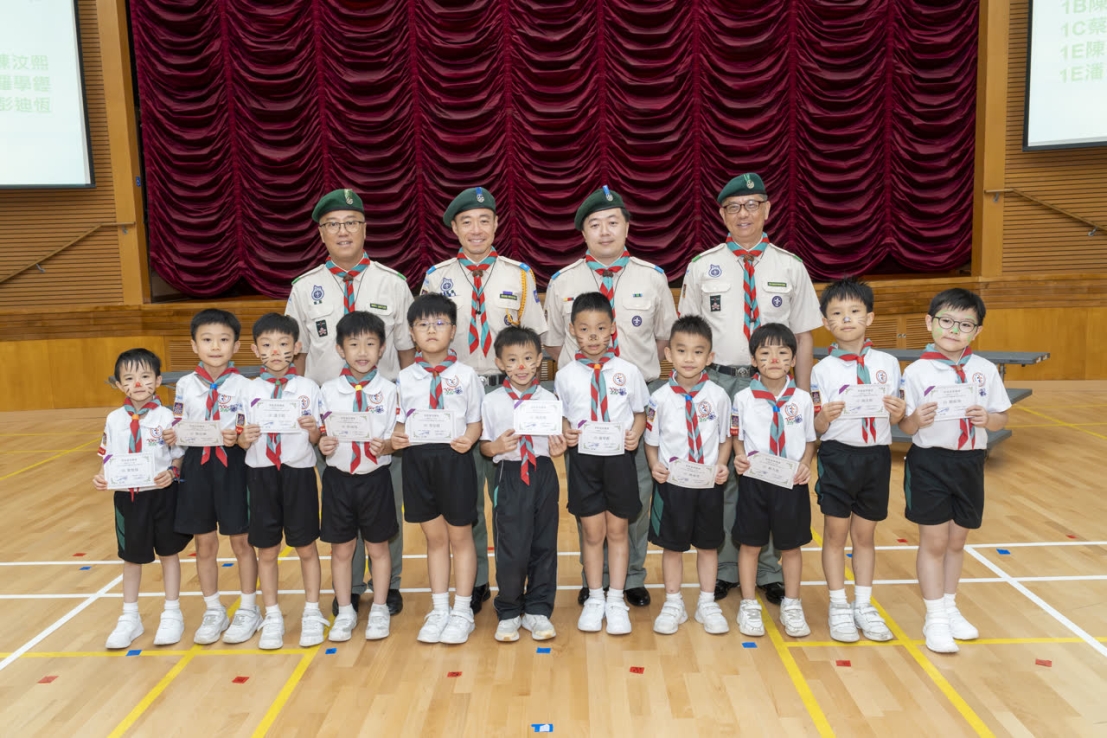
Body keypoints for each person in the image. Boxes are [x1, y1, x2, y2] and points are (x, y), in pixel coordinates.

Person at [678, 173, 821, 606]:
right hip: (719, 382)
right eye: (734, 207)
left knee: (775, 474)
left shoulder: (790, 266)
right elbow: (689, 333)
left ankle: (770, 569)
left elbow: (805, 336)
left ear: (768, 210)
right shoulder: (702, 266)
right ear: (722, 214)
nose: (744, 214)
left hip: (774, 385)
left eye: (752, 204)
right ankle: (725, 567)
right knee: (722, 475)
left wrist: (801, 394)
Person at [544, 185, 677, 609]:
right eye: (595, 224)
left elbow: (663, 340)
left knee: (635, 492)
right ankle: (594, 579)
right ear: (583, 232)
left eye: (613, 222)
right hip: (583, 406)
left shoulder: (652, 277)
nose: (605, 231)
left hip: (633, 403)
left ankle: (631, 575)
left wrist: (626, 380)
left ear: (627, 226)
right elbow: (554, 345)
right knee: (588, 497)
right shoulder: (562, 281)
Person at [286, 188, 413, 617]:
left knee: (385, 503)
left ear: (365, 228)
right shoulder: (304, 288)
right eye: (333, 225)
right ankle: (352, 587)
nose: (343, 231)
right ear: (321, 233)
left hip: (381, 416)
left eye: (351, 223)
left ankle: (389, 584)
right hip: (332, 421)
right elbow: (298, 356)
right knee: (341, 503)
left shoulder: (393, 283)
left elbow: (406, 352)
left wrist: (402, 416)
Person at [421, 187, 548, 613]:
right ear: (454, 229)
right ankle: (473, 582)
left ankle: (515, 580)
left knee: (511, 495)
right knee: (465, 497)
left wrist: (533, 400)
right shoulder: (436, 277)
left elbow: (535, 342)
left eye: (484, 220)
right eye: (467, 222)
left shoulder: (520, 275)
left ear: (496, 224)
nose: (476, 229)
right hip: (456, 393)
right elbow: (426, 339)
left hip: (507, 390)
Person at [899, 288, 1010, 654]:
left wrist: (987, 419)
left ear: (977, 331)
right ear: (929, 322)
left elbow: (1001, 417)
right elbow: (906, 427)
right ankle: (934, 618)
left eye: (965, 324)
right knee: (934, 542)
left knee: (957, 541)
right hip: (930, 463)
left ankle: (949, 606)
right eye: (946, 321)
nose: (954, 330)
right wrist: (916, 418)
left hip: (970, 462)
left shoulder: (984, 370)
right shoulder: (916, 372)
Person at [811, 278, 905, 642]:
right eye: (837, 313)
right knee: (835, 534)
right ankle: (838, 605)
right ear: (826, 322)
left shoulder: (888, 363)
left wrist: (898, 413)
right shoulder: (822, 370)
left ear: (870, 317)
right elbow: (817, 426)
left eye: (854, 311)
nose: (846, 319)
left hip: (876, 457)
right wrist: (824, 416)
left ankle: (863, 605)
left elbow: (896, 418)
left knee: (865, 536)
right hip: (838, 456)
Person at [390, 294, 483, 645]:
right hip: (417, 462)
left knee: (460, 537)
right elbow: (400, 423)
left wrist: (469, 439)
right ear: (412, 333)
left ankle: (462, 610)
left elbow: (475, 421)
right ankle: (440, 608)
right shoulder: (404, 379)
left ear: (453, 330)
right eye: (423, 324)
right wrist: (397, 437)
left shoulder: (467, 375)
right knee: (435, 539)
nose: (432, 330)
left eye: (440, 323)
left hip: (455, 461)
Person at [163, 309, 260, 645]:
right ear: (194, 345)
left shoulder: (246, 386)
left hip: (234, 466)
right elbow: (178, 423)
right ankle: (213, 608)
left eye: (223, 339)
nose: (215, 346)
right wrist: (174, 443)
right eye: (207, 340)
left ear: (236, 346)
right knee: (204, 543)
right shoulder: (184, 385)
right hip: (197, 467)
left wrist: (240, 436)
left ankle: (248, 608)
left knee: (241, 541)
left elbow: (248, 429)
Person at [556, 291, 649, 635]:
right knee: (593, 533)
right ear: (572, 331)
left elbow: (639, 414)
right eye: (584, 329)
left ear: (612, 329)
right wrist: (566, 431)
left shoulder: (629, 371)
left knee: (618, 531)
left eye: (600, 328)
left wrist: (635, 434)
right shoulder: (565, 375)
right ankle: (595, 597)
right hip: (584, 462)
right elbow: (562, 417)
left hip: (619, 461)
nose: (593, 336)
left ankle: (616, 598)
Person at [236, 314, 327, 650]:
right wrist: (244, 437)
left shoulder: (308, 388)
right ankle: (272, 614)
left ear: (297, 347)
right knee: (267, 549)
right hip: (261, 474)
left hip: (298, 473)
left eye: (283, 344)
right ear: (255, 349)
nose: (275, 351)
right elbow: (240, 439)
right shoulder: (248, 389)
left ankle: (312, 611)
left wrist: (312, 430)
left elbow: (318, 439)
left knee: (306, 546)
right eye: (267, 344)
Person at [95, 349, 190, 649]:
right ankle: (129, 617)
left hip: (162, 495)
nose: (137, 383)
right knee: (131, 558)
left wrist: (172, 474)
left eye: (145, 376)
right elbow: (108, 456)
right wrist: (102, 476)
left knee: (169, 553)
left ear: (158, 380)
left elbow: (178, 456)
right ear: (119, 384)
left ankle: (172, 613)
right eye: (129, 378)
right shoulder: (114, 419)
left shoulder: (168, 417)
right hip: (129, 498)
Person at [644, 317, 732, 636]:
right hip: (673, 486)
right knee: (672, 547)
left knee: (708, 546)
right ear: (669, 354)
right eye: (681, 351)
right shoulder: (658, 398)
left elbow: (725, 439)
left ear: (710, 357)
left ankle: (706, 602)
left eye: (698, 352)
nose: (689, 358)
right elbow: (651, 442)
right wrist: (654, 465)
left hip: (707, 484)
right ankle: (673, 602)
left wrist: (721, 464)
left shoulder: (719, 396)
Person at [479, 326, 566, 642]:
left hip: (543, 472)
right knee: (512, 547)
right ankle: (509, 609)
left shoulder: (549, 399)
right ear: (500, 363)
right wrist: (495, 447)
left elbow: (556, 441)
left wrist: (559, 448)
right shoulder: (492, 401)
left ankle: (538, 609)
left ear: (540, 360)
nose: (521, 366)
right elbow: (484, 446)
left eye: (528, 358)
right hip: (511, 474)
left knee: (544, 544)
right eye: (512, 359)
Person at [731, 323, 816, 638]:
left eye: (782, 352)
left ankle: (792, 604)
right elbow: (738, 436)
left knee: (791, 547)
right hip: (755, 481)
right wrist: (739, 456)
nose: (775, 359)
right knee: (750, 545)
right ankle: (748, 603)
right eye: (765, 353)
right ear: (754, 360)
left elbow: (810, 440)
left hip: (791, 483)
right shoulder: (743, 398)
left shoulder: (802, 400)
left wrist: (805, 464)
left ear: (793, 359)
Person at [319, 311, 399, 643]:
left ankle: (379, 609)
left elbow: (395, 436)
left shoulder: (390, 391)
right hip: (338, 479)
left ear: (382, 349)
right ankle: (345, 610)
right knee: (341, 550)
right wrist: (322, 442)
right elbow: (320, 434)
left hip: (375, 479)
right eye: (353, 344)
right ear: (340, 349)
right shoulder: (327, 391)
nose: (362, 351)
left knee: (378, 547)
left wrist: (387, 445)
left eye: (370, 344)